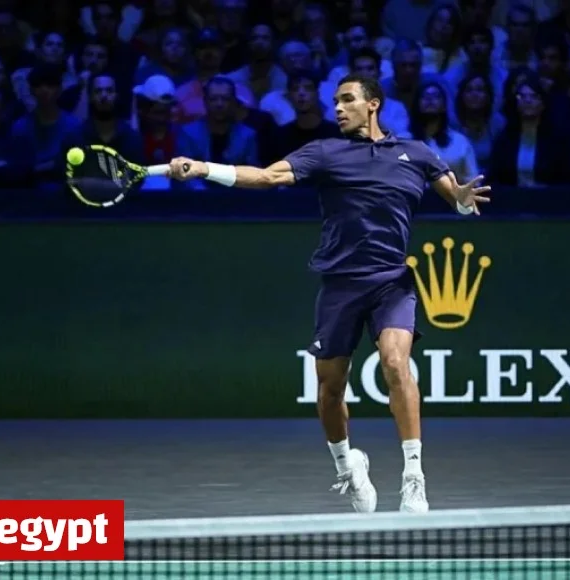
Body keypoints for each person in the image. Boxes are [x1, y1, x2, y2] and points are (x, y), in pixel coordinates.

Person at [166, 73, 491, 514]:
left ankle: (414, 477)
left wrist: (465, 198)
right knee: (330, 391)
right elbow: (265, 176)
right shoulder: (325, 152)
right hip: (340, 285)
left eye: (347, 100)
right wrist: (206, 168)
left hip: (391, 282)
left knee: (397, 363)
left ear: (373, 104)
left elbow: (456, 198)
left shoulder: (415, 154)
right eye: (334, 101)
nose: (337, 108)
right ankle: (347, 466)